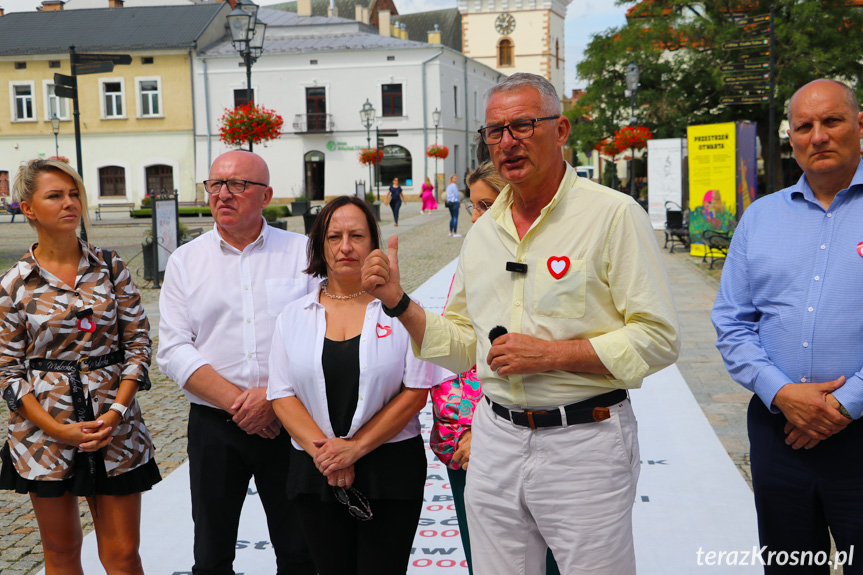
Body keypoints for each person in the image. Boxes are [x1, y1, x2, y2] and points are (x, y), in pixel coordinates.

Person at [361, 72, 679, 574]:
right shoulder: (484, 233)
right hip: (495, 437)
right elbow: (464, 346)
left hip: (584, 441)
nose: (507, 142)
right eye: (495, 131)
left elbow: (658, 339)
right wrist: (401, 303)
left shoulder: (612, 215)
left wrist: (553, 355)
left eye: (523, 126)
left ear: (561, 130)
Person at [712, 78, 863, 572]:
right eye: (804, 126)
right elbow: (733, 325)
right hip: (780, 434)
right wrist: (782, 393)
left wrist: (842, 404)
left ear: (859, 125)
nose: (817, 136)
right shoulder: (760, 218)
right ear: (791, 138)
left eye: (831, 121)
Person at [156, 150, 315, 575]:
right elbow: (172, 348)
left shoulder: (303, 253)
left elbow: (319, 336)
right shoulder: (185, 262)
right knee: (211, 553)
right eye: (215, 184)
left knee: (300, 550)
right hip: (214, 427)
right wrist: (238, 402)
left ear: (266, 195)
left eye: (238, 185)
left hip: (290, 423)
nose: (223, 194)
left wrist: (274, 398)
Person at [0, 158, 160, 575]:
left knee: (124, 555)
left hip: (115, 427)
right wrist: (56, 429)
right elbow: (7, 371)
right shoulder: (15, 284)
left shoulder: (110, 266)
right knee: (62, 551)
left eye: (74, 194)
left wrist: (115, 412)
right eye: (55, 195)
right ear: (29, 208)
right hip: (44, 432)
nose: (70, 203)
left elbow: (139, 344)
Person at [267, 196, 439, 575]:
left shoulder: (404, 312)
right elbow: (281, 394)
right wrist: (328, 456)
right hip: (316, 468)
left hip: (389, 469)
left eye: (357, 235)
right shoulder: (293, 316)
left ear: (373, 242)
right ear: (319, 245)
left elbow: (416, 392)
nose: (345, 246)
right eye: (334, 236)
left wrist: (356, 448)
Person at [431, 160, 560, 575]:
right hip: (468, 440)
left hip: (545, 434)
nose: (475, 217)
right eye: (473, 206)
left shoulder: (552, 257)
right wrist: (466, 430)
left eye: (485, 205)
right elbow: (462, 350)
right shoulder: (475, 256)